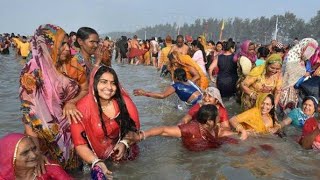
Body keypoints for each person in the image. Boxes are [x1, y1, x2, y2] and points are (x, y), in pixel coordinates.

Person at [19, 24, 88, 169]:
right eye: (62, 44)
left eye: (68, 44)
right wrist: (35, 152)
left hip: (72, 132)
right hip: (45, 140)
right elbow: (29, 115)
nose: (68, 49)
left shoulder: (71, 64)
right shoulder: (31, 72)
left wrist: (71, 102)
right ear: (47, 45)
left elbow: (85, 89)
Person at [71, 66, 140, 176]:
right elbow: (80, 144)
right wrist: (96, 162)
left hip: (124, 154)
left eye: (113, 83)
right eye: (104, 82)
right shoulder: (81, 109)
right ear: (94, 83)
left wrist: (124, 143)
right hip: (93, 157)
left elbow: (135, 129)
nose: (109, 87)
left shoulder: (124, 102)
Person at [127, 105, 237, 152]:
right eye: (217, 116)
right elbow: (163, 130)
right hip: (190, 157)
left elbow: (227, 134)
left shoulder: (216, 129)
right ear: (209, 121)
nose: (220, 118)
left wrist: (247, 133)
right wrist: (140, 136)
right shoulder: (190, 129)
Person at [0, 133, 72, 180]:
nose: (33, 155)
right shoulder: (2, 175)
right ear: (10, 157)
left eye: (34, 148)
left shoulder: (50, 168)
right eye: (25, 153)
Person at [280, 38, 318, 110]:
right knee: (283, 108)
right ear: (303, 46)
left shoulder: (303, 59)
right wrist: (304, 73)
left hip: (296, 88)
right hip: (286, 86)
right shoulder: (292, 54)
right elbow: (289, 70)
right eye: (308, 50)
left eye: (311, 51)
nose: (309, 53)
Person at [133, 68, 202, 106]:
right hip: (202, 99)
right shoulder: (189, 82)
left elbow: (162, 96)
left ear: (176, 77)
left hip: (195, 103)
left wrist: (144, 93)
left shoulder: (176, 85)